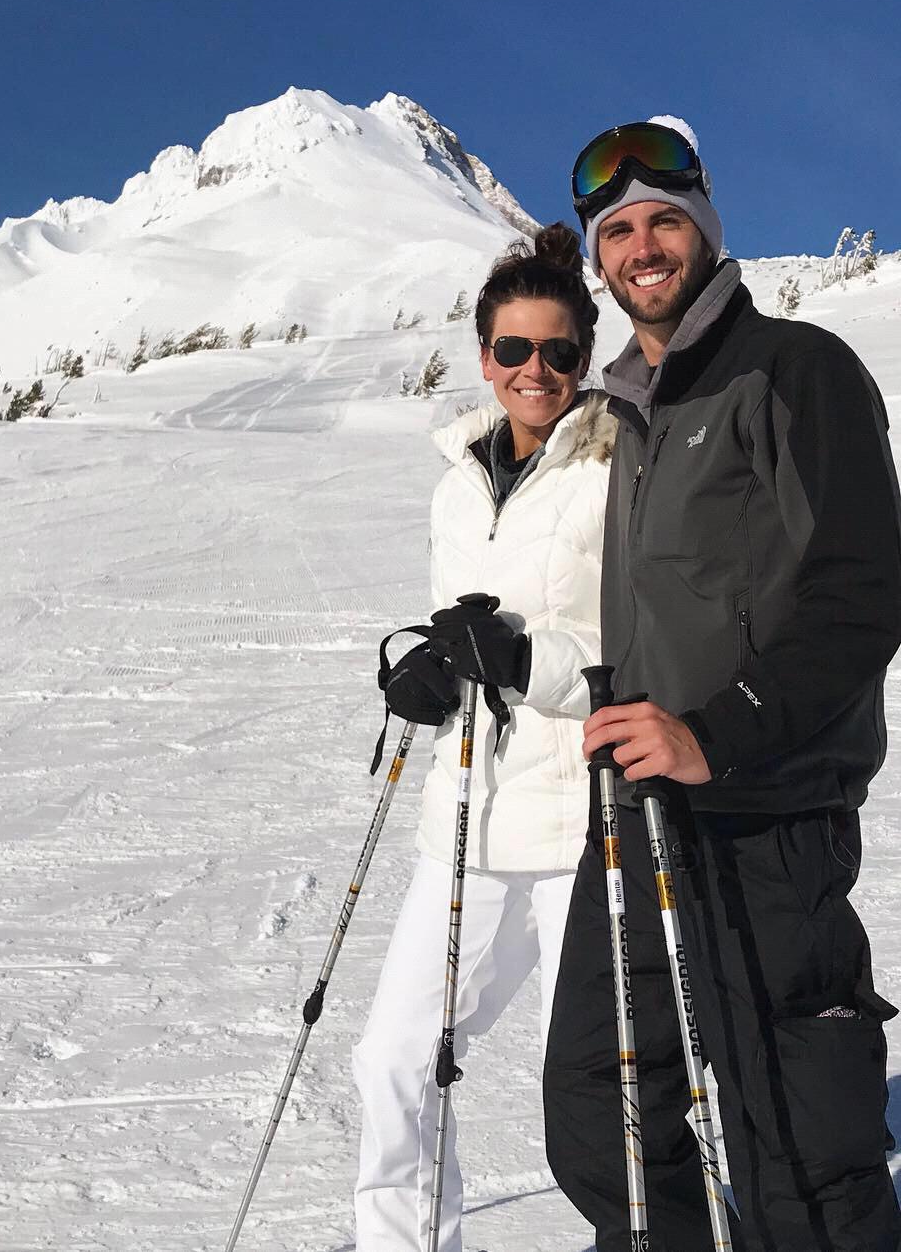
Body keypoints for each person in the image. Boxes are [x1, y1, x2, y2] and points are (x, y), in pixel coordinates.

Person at [542, 117, 901, 1252]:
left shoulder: (797, 369)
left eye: (664, 222)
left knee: (797, 1148)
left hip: (767, 818)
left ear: (704, 232)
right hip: (640, 824)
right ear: (599, 261)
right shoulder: (624, 416)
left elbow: (862, 590)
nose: (642, 245)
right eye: (619, 231)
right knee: (606, 1109)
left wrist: (722, 730)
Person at [351, 223, 616, 1251]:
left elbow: (619, 642)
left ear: (584, 357)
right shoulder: (456, 478)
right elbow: (454, 622)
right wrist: (429, 673)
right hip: (464, 816)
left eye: (557, 351)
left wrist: (516, 659)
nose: (535, 370)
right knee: (392, 1059)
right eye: (514, 350)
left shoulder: (616, 464)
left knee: (589, 1089)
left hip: (579, 825)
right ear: (484, 357)